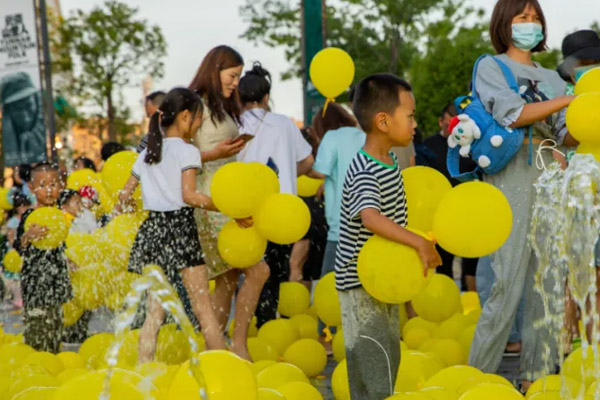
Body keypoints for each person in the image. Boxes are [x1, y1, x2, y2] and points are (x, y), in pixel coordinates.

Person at [467, 0, 577, 390]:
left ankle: (537, 379)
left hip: (551, 179)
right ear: (505, 23)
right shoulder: (491, 66)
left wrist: (586, 114)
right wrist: (569, 100)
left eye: (535, 18)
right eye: (522, 17)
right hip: (511, 180)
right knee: (507, 282)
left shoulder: (553, 76)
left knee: (546, 286)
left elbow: (567, 134)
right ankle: (475, 379)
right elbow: (510, 114)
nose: (530, 24)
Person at [336, 73, 441, 400]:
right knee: (374, 368)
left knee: (387, 361)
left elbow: (393, 227)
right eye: (410, 116)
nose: (414, 123)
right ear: (383, 121)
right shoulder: (366, 167)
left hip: (380, 282)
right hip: (360, 285)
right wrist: (418, 242)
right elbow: (370, 218)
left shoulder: (389, 162)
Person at [118, 88, 232, 362]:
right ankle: (223, 369)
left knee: (154, 313)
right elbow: (189, 196)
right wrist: (227, 207)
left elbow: (123, 196)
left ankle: (143, 372)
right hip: (180, 228)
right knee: (202, 306)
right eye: (198, 121)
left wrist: (138, 204)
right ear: (184, 117)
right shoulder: (188, 151)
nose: (198, 127)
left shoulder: (146, 153)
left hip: (153, 229)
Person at [236, 62, 314, 332]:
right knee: (276, 270)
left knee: (248, 272)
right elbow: (308, 160)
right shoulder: (283, 123)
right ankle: (270, 326)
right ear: (266, 97)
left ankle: (250, 328)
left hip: (245, 209)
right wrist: (287, 175)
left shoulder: (235, 124)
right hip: (282, 210)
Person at [557, 29, 600, 346]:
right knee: (580, 273)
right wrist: (581, 109)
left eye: (594, 61)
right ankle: (576, 342)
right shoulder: (560, 99)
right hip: (579, 196)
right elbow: (563, 140)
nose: (590, 68)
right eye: (583, 63)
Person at [14, 163, 72, 353]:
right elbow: (19, 246)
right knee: (36, 324)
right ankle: (36, 358)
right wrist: (27, 236)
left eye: (53, 184)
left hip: (57, 277)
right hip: (35, 278)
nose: (48, 190)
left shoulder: (61, 215)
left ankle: (53, 356)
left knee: (55, 323)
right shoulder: (31, 215)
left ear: (61, 186)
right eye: (42, 185)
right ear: (31, 188)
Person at [423, 103, 479, 291]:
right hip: (440, 215)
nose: (455, 129)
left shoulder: (470, 147)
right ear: (441, 122)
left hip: (467, 212)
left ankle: (471, 303)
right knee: (443, 262)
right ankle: (445, 300)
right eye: (450, 124)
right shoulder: (428, 146)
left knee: (471, 260)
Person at [308, 102, 365, 278]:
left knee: (330, 283)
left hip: (341, 228)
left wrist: (299, 167)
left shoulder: (331, 137)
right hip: (368, 222)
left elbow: (320, 172)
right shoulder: (363, 135)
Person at [0, 72, 46, 166]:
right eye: (17, 109)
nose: (25, 116)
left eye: (28, 105)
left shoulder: (41, 138)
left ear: (36, 102)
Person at [3, 192, 31, 309]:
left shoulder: (30, 218)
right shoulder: (13, 222)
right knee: (15, 278)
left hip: (27, 249)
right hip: (16, 250)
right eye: (20, 206)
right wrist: (16, 246)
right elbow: (10, 237)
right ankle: (18, 298)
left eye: (25, 206)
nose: (23, 209)